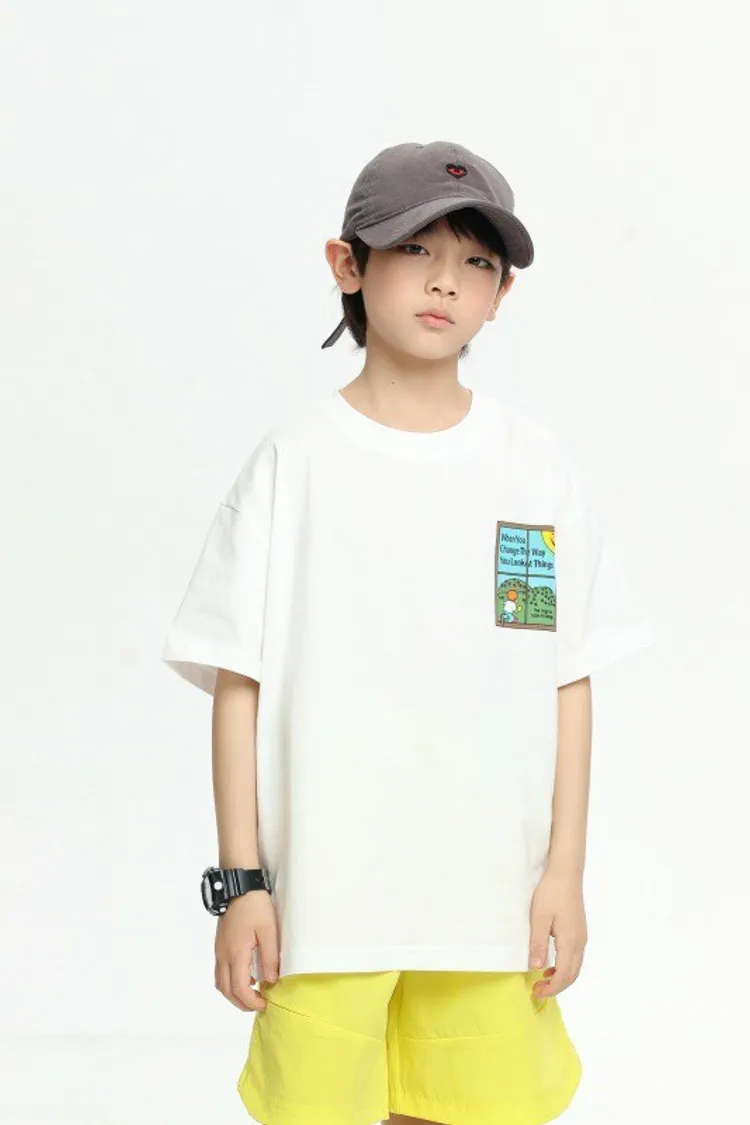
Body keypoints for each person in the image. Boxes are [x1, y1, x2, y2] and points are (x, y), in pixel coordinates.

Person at [162, 140, 656, 1125]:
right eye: (415, 249)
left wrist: (564, 871)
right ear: (347, 265)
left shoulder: (532, 473)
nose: (445, 281)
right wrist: (242, 882)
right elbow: (237, 681)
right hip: (323, 907)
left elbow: (563, 674)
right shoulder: (295, 466)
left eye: (476, 261)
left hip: (486, 908)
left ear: (502, 293)